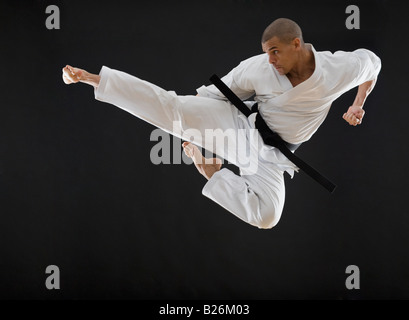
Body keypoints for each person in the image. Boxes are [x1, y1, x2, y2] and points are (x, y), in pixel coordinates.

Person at [62, 18, 381, 229]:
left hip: (276, 157)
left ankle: (213, 172)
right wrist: (196, 121)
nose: (270, 60)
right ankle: (96, 79)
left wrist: (357, 103)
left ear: (296, 45)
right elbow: (218, 94)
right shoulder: (258, 68)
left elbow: (373, 65)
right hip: (243, 130)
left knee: (267, 216)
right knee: (174, 111)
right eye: (266, 53)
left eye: (275, 52)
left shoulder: (339, 69)